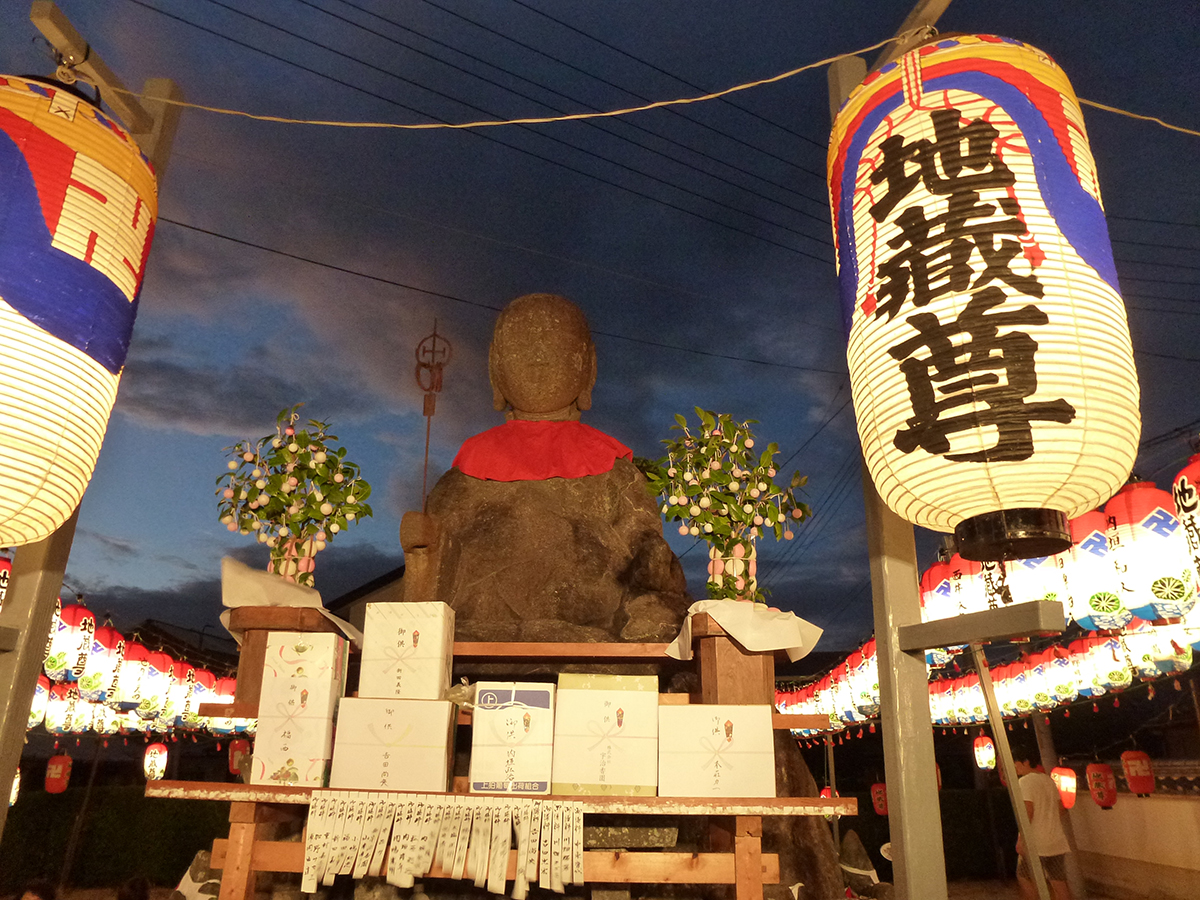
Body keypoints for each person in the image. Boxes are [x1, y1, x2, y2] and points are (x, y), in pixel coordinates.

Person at [1011, 745, 1073, 900]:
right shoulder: (1048, 780)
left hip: (1036, 843)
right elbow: (1061, 809)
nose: (1013, 766)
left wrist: (1021, 840)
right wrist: (1047, 818)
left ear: (1025, 762)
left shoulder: (1024, 782)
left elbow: (1027, 812)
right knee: (1058, 882)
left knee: (1024, 877)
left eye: (1015, 762)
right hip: (1056, 840)